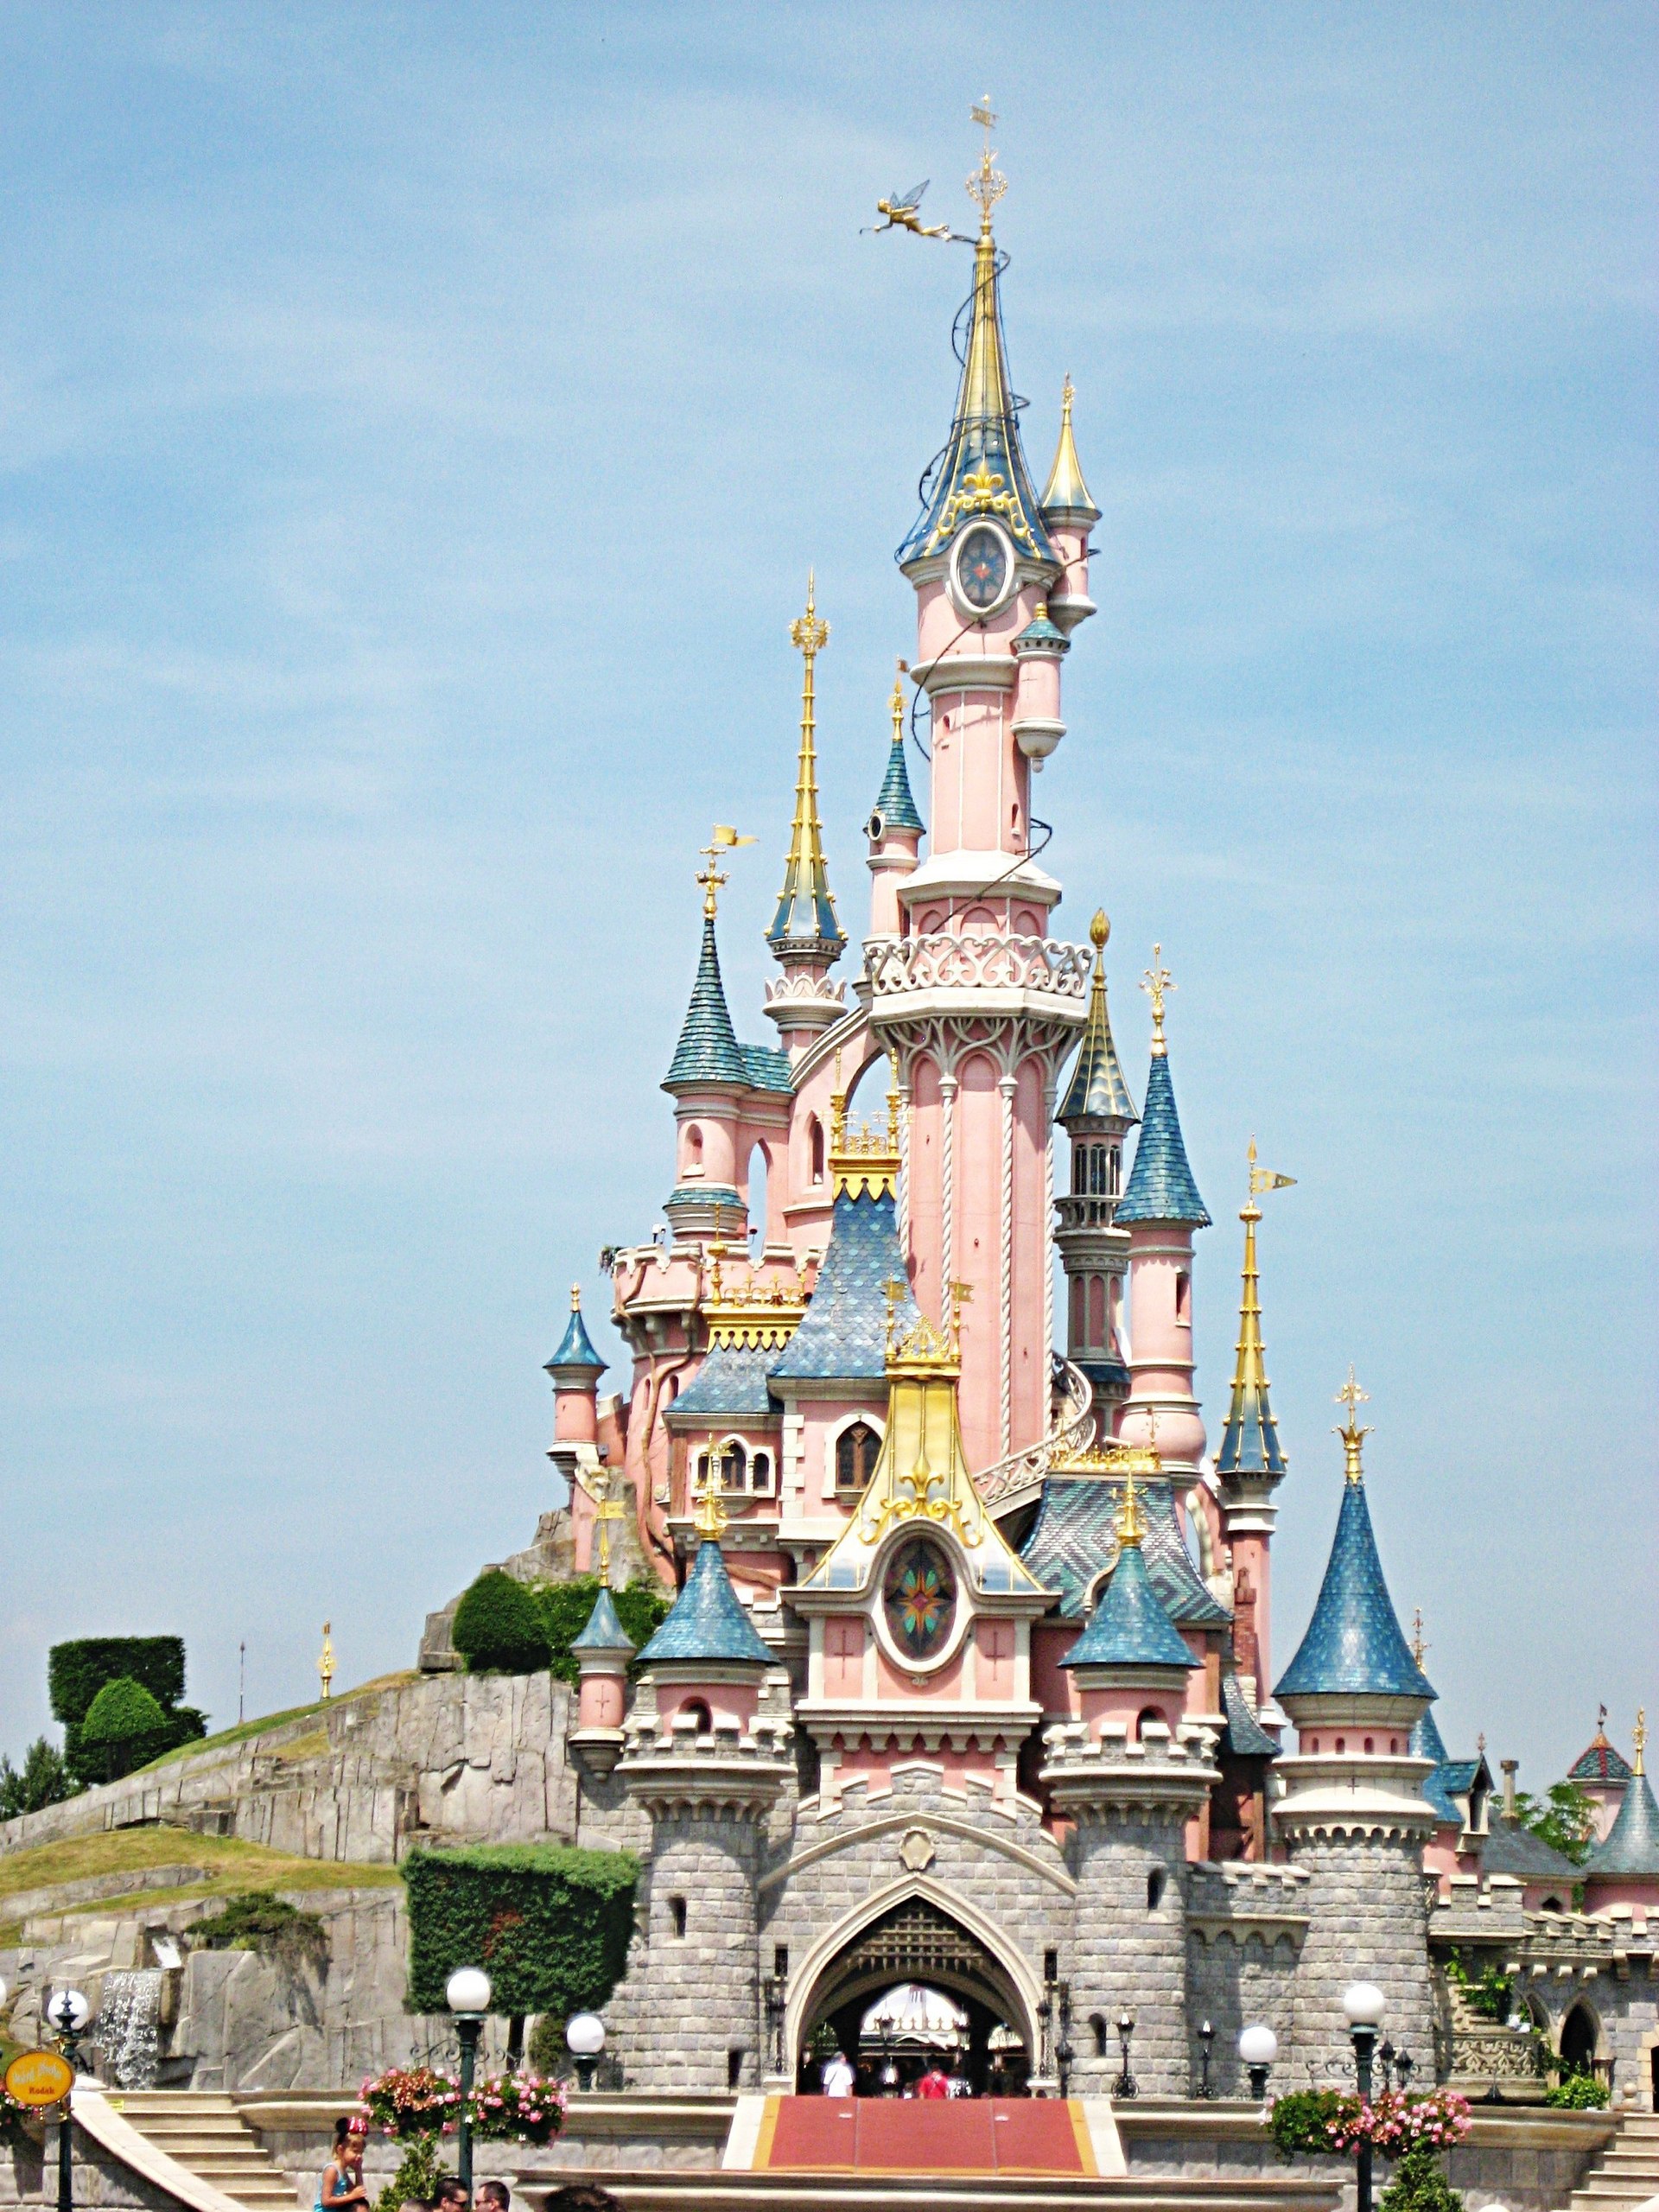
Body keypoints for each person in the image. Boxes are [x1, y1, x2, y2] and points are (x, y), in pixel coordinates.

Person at [320, 2120, 369, 2212]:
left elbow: (359, 2195)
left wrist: (358, 2171)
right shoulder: (332, 2170)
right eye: (355, 2151)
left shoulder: (343, 2173)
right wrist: (351, 2196)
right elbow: (325, 2201)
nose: (359, 2156)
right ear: (340, 2150)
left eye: (361, 2152)